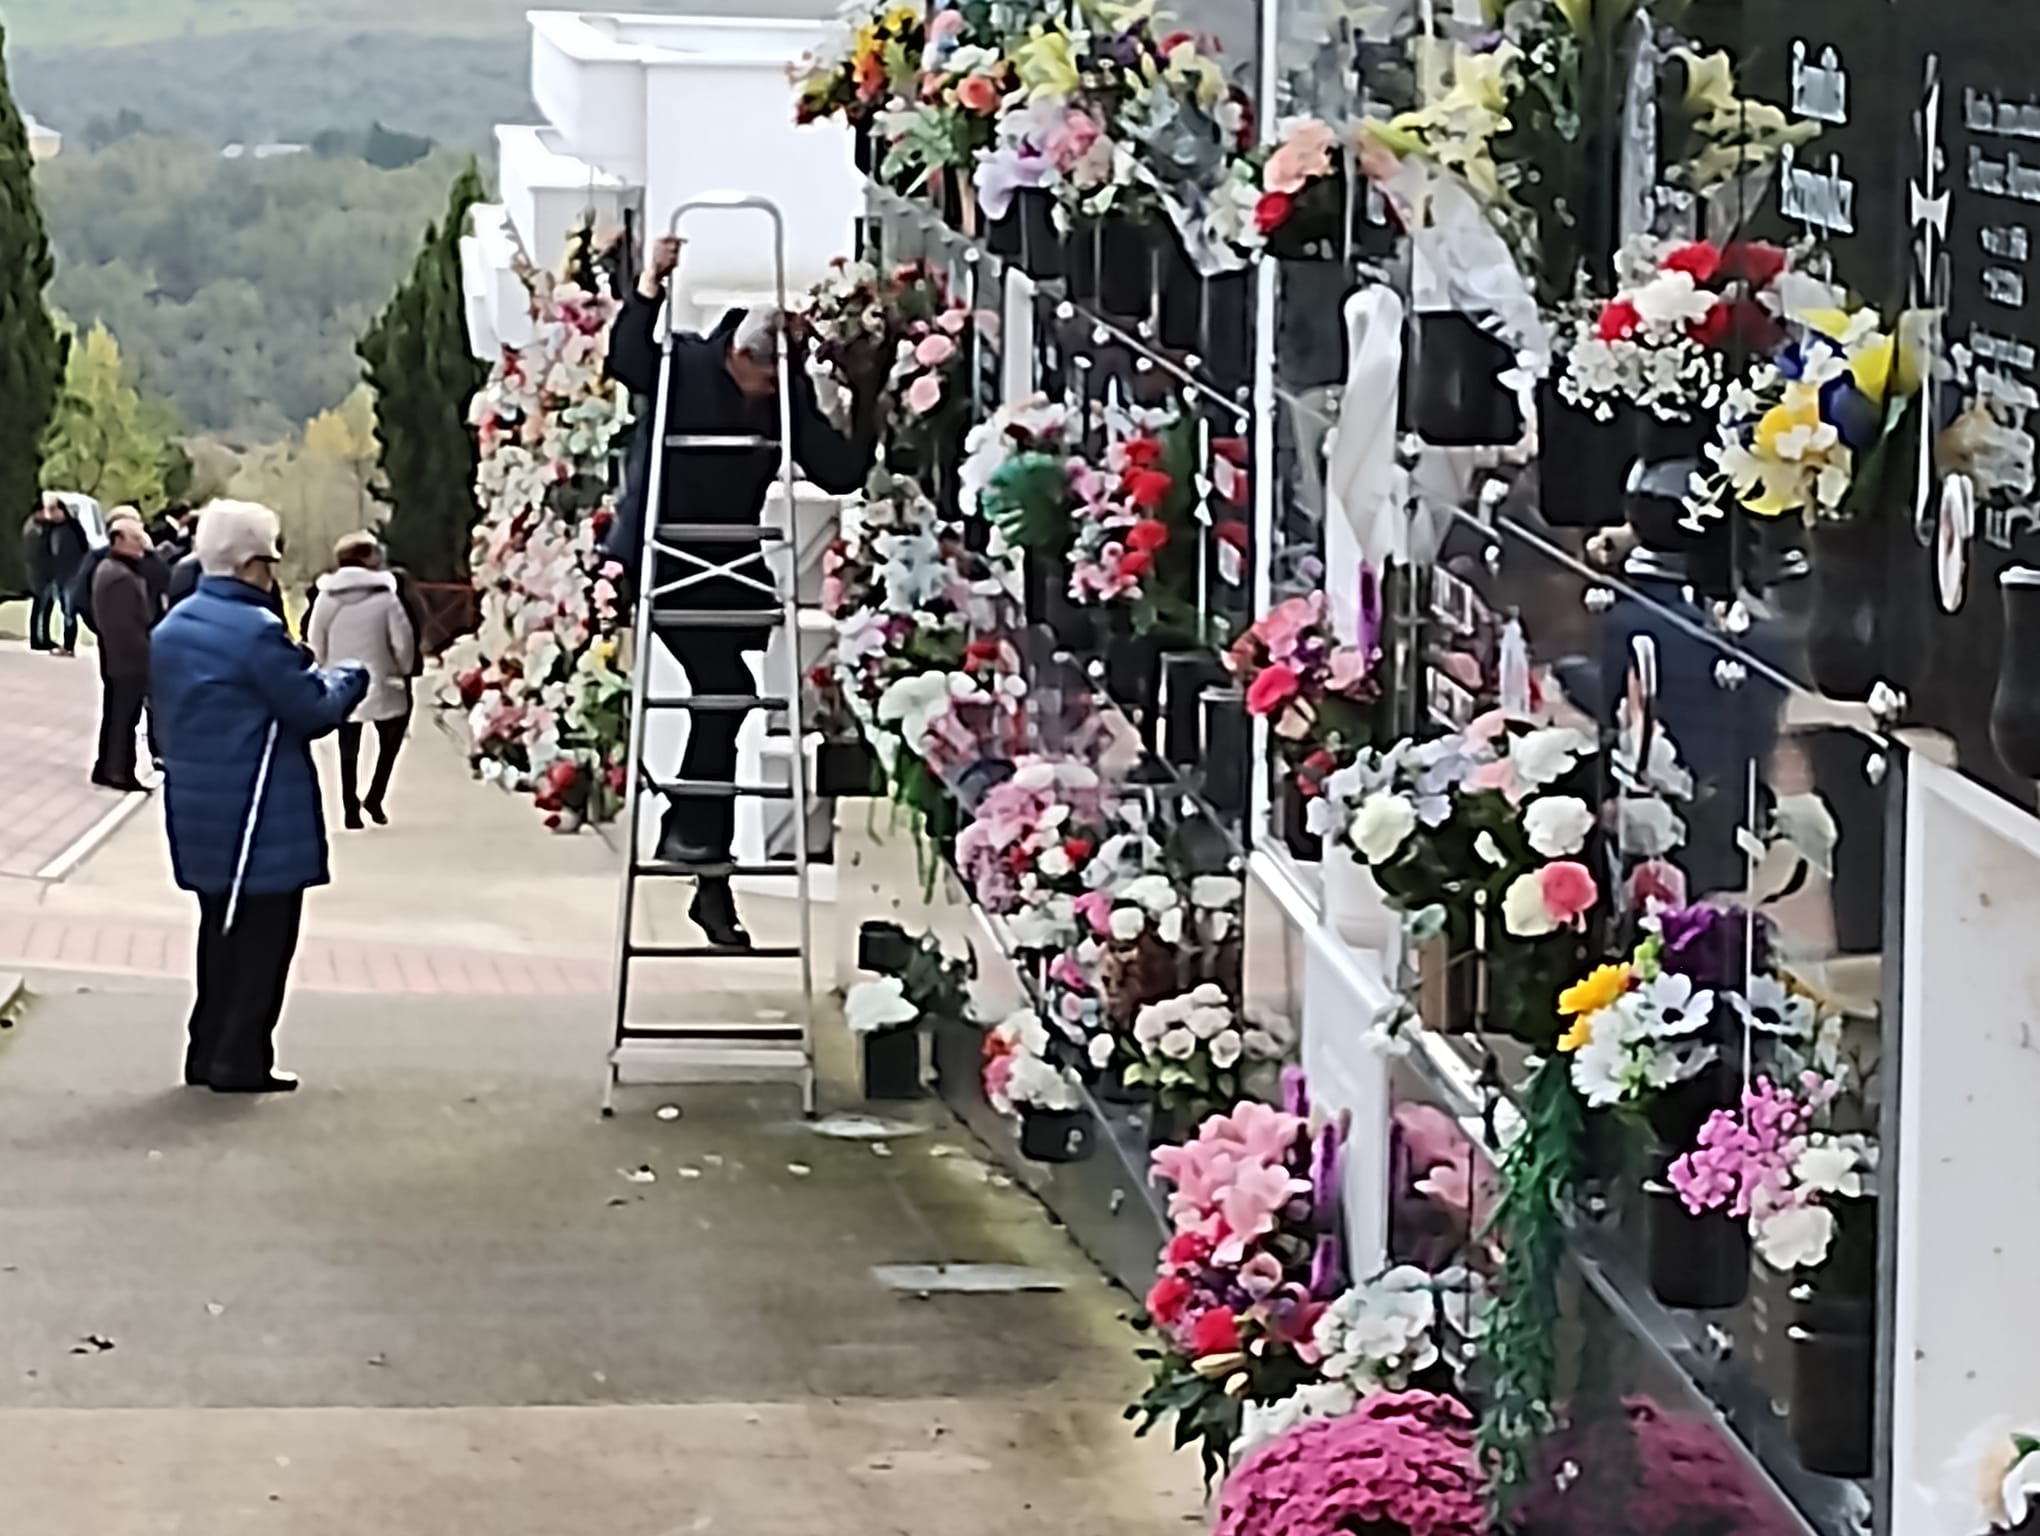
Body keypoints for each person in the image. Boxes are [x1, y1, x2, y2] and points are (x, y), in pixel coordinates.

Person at [603, 232, 884, 948]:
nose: (768, 397)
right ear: (739, 356)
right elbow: (626, 358)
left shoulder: (780, 389)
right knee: (722, 695)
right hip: (670, 562)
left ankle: (701, 859)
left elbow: (839, 471)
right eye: (762, 381)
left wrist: (865, 392)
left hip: (729, 570)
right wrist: (649, 285)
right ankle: (695, 850)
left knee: (723, 705)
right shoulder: (689, 361)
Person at [151, 500, 368, 1094]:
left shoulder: (174, 627)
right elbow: (312, 708)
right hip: (261, 810)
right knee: (265, 941)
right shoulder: (256, 632)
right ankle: (241, 1058)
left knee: (218, 931)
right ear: (250, 565)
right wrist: (349, 676)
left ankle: (206, 1050)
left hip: (199, 803)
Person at [307, 531, 417, 830]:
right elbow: (402, 641)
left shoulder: (326, 598)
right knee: (391, 740)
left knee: (348, 747)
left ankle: (349, 807)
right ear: (367, 558)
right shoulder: (386, 598)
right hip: (384, 678)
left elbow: (316, 640)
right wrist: (404, 669)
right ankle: (375, 795)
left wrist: (323, 670)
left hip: (342, 681)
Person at [89, 512, 157, 792]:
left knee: (118, 716)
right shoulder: (118, 576)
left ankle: (109, 767)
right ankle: (117, 770)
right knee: (122, 718)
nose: (141, 545)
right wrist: (146, 659)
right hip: (126, 661)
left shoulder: (116, 571)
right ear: (117, 540)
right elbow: (126, 627)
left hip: (119, 659)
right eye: (136, 539)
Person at [22, 496, 89, 655]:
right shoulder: (40, 528)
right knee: (45, 607)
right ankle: (40, 639)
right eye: (48, 510)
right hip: (48, 574)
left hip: (67, 574)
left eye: (53, 510)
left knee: (66, 610)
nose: (49, 514)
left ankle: (64, 643)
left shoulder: (71, 528)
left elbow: (81, 549)